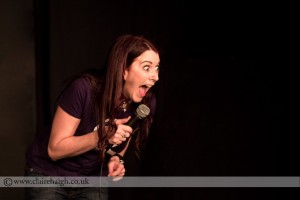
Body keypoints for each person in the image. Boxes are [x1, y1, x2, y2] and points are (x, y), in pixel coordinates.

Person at [25, 34, 160, 200]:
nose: (155, 77)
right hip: (49, 176)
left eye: (157, 68)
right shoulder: (84, 89)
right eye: (147, 67)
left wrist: (117, 157)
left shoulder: (145, 102)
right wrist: (101, 135)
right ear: (124, 69)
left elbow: (126, 132)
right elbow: (55, 150)